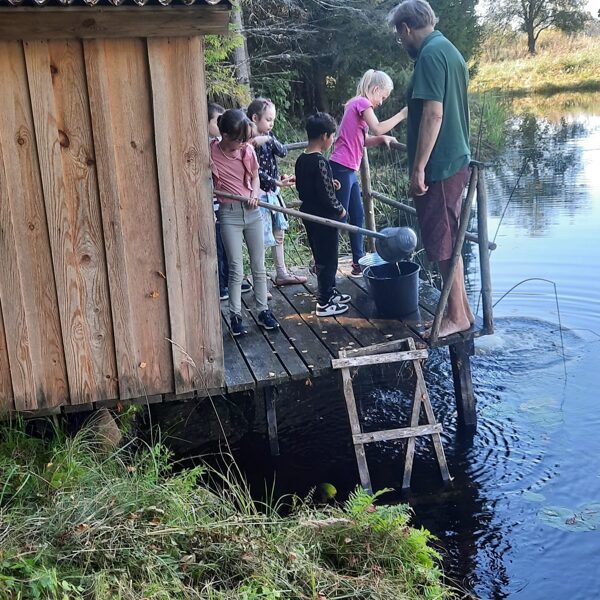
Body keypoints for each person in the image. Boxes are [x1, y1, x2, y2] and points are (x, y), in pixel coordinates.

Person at [389, 0, 474, 337]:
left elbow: (434, 114)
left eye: (400, 36)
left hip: (439, 166)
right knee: (450, 238)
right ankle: (462, 309)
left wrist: (419, 167)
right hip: (456, 159)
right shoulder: (450, 51)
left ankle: (455, 316)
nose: (402, 43)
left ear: (406, 29)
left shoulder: (428, 55)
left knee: (440, 240)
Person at [330, 69, 408, 277]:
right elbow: (378, 128)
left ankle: (358, 261)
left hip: (348, 168)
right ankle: (324, 261)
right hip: (341, 167)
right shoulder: (362, 103)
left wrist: (382, 140)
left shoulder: (354, 104)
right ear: (375, 89)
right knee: (340, 217)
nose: (381, 102)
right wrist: (403, 114)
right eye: (382, 97)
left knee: (357, 214)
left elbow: (363, 140)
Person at [210, 109, 279, 336]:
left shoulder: (247, 151)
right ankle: (235, 315)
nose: (242, 143)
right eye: (238, 139)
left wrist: (255, 194)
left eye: (244, 139)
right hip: (228, 213)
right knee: (236, 268)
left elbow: (256, 177)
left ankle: (263, 310)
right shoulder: (211, 151)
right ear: (225, 135)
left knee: (259, 265)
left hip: (251, 211)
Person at [295, 113, 352, 317]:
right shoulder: (320, 161)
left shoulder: (302, 159)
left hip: (309, 213)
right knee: (328, 258)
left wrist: (331, 184)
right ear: (324, 136)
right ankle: (324, 301)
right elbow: (326, 196)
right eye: (332, 137)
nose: (333, 140)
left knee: (321, 255)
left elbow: (306, 188)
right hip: (324, 217)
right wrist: (339, 208)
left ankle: (329, 290)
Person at [247, 98, 308, 286]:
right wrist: (274, 181)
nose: (271, 123)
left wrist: (268, 138)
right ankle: (260, 282)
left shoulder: (268, 137)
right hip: (260, 194)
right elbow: (255, 172)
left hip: (273, 193)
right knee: (261, 239)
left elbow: (283, 151)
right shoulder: (248, 143)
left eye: (273, 119)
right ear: (255, 118)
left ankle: (281, 273)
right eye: (268, 119)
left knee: (278, 233)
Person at [208, 102, 252, 301]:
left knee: (228, 251)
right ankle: (222, 285)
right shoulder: (210, 150)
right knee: (219, 249)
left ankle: (229, 282)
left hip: (236, 208)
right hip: (220, 209)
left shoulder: (242, 149)